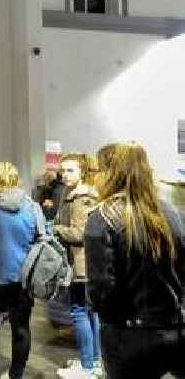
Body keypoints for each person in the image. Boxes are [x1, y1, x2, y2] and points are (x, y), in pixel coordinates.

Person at [85, 143, 185, 379]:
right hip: (174, 329)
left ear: (110, 174)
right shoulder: (172, 213)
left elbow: (101, 290)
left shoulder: (103, 217)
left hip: (128, 337)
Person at [0, 162, 43, 379]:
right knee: (21, 329)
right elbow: (42, 241)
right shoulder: (32, 207)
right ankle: (15, 374)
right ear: (17, 179)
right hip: (23, 280)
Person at [54, 153, 101, 379]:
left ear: (82, 171)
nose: (65, 174)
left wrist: (56, 230)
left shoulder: (81, 198)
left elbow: (79, 234)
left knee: (80, 312)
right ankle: (93, 360)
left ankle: (87, 366)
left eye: (70, 170)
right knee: (90, 314)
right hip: (87, 264)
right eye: (63, 170)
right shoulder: (76, 195)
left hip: (81, 266)